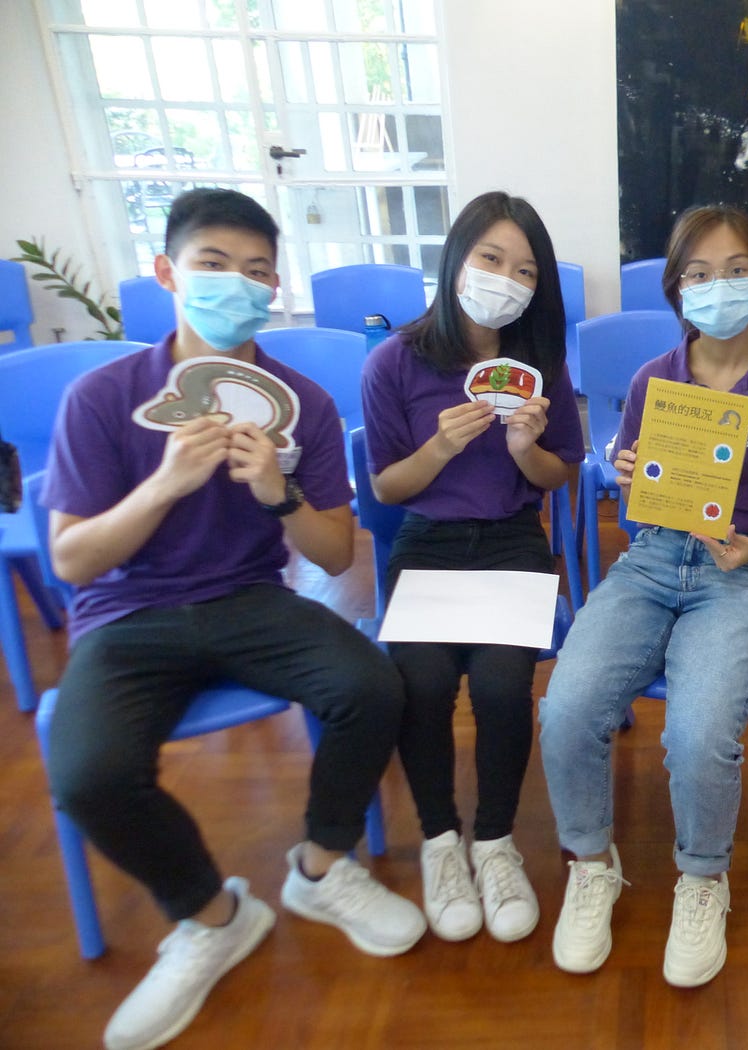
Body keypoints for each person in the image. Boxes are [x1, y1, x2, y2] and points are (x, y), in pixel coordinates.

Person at [42, 188, 424, 1050]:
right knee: (90, 775)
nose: (236, 286)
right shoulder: (102, 398)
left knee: (373, 685)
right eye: (213, 265)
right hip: (126, 616)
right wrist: (164, 485)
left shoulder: (300, 405)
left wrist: (277, 492)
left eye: (256, 271)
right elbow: (72, 561)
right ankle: (211, 917)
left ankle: (320, 869)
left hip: (251, 600)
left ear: (274, 288)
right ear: (167, 272)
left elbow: (334, 555)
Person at [538, 205, 748, 987]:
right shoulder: (654, 379)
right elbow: (634, 492)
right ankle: (591, 864)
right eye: (700, 274)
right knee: (566, 708)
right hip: (651, 560)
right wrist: (628, 472)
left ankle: (703, 878)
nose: (720, 287)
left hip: (741, 573)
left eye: (737, 269)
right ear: (678, 288)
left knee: (700, 734)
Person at [361, 191, 583, 944]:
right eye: (491, 259)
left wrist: (525, 448)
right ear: (456, 259)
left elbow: (558, 475)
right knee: (419, 683)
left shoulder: (540, 365)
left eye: (525, 270)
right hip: (426, 542)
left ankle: (493, 842)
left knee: (500, 685)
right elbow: (388, 489)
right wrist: (440, 447)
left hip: (513, 541)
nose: (505, 280)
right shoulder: (394, 362)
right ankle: (439, 842)